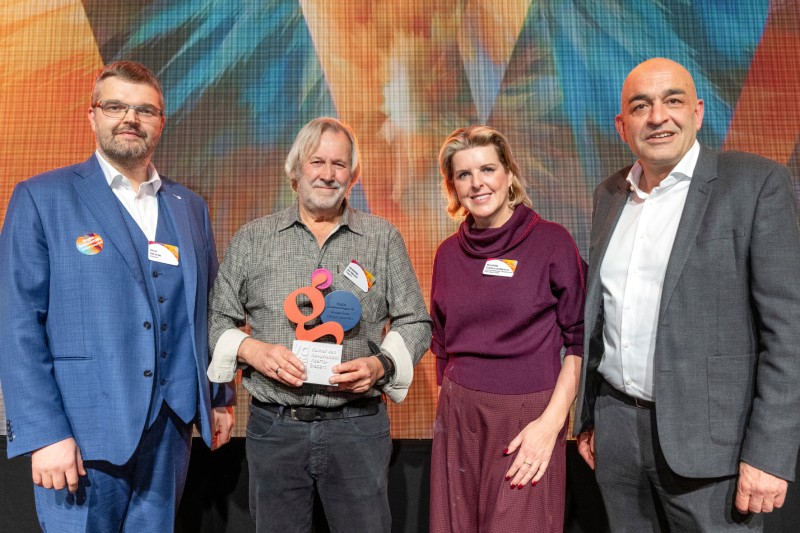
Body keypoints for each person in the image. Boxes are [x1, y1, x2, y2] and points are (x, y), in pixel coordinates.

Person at [0, 61, 236, 531]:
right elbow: (17, 323)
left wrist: (219, 395)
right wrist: (44, 433)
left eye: (145, 110)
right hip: (80, 434)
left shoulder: (190, 207)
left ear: (160, 122)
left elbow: (208, 310)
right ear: (92, 115)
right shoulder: (42, 197)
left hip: (170, 430)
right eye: (115, 106)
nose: (131, 118)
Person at [574, 58, 800, 531]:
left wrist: (770, 453)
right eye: (640, 106)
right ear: (622, 125)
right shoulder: (609, 195)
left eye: (672, 100)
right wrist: (592, 417)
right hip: (617, 437)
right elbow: (601, 316)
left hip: (714, 451)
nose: (657, 117)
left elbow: (789, 333)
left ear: (697, 111)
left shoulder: (756, 184)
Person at [206, 117, 432, 533]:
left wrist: (380, 365)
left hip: (358, 428)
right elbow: (217, 318)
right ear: (295, 170)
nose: (328, 174)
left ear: (353, 175)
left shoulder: (382, 238)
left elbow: (415, 321)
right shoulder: (253, 239)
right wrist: (253, 350)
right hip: (275, 428)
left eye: (339, 164)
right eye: (317, 161)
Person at [429, 125, 586, 532]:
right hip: (459, 418)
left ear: (509, 174)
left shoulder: (552, 242)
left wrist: (550, 425)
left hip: (528, 418)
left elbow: (580, 341)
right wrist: (450, 411)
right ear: (453, 187)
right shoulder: (447, 254)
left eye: (488, 169)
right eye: (464, 174)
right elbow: (441, 345)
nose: (477, 183)